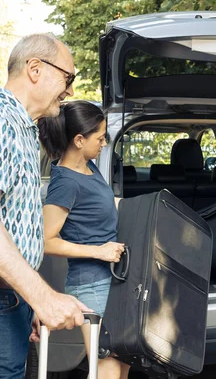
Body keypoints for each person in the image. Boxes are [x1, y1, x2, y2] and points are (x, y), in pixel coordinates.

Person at [0, 33, 89, 378]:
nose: (69, 90)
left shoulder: (24, 129)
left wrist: (28, 297)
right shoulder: (3, 124)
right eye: (68, 77)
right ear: (35, 69)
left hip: (12, 298)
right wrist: (42, 296)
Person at [39, 101, 130, 378]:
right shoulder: (64, 182)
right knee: (106, 367)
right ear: (79, 140)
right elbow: (47, 240)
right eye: (100, 137)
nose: (104, 143)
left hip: (113, 278)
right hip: (91, 285)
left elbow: (104, 204)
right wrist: (98, 251)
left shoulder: (90, 168)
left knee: (123, 360)